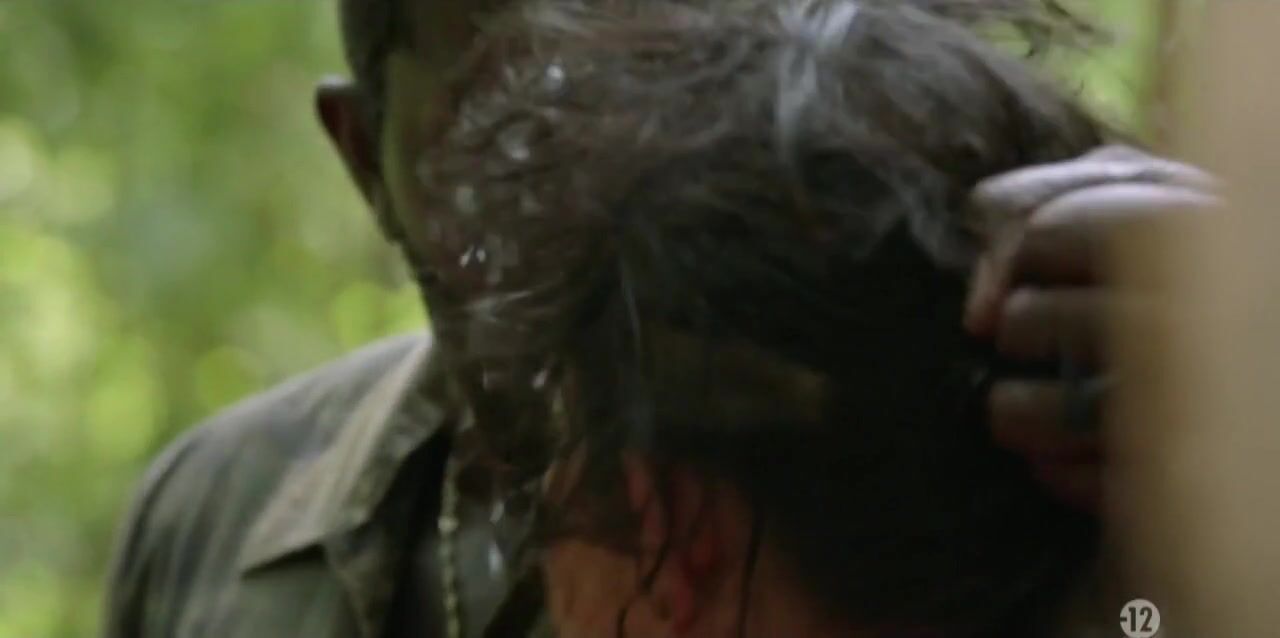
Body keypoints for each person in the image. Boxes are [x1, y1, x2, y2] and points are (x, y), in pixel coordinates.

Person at [100, 0, 1219, 637]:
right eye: (519, 122)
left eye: (681, 78)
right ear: (365, 159)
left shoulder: (1080, 465)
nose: (608, 165)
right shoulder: (220, 523)